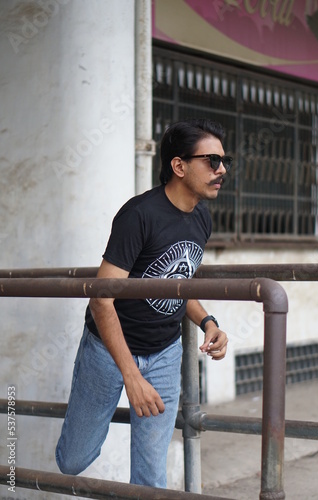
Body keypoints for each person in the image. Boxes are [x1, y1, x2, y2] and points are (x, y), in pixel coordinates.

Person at [55, 117, 231, 488]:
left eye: (223, 160)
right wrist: (131, 377)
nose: (222, 170)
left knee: (151, 475)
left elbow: (179, 283)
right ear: (179, 166)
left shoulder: (201, 217)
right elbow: (101, 298)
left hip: (165, 352)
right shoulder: (139, 215)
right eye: (212, 161)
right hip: (108, 348)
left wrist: (208, 322)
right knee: (73, 460)